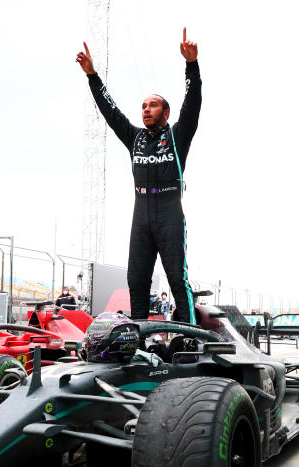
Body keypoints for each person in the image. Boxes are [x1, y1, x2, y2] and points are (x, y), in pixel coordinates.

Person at [77, 29, 201, 323]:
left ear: (166, 112)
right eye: (143, 106)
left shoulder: (177, 136)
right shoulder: (135, 138)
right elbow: (111, 111)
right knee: (137, 280)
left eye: (153, 105)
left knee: (176, 280)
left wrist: (192, 66)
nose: (146, 110)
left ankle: (189, 340)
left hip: (170, 211)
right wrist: (92, 76)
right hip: (141, 214)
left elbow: (193, 103)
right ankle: (140, 346)